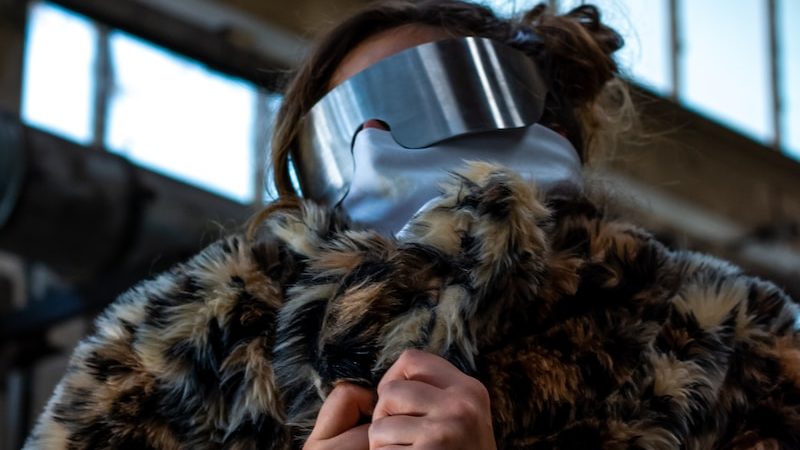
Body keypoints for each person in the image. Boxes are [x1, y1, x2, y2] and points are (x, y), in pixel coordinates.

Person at [24, 1, 800, 449]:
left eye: (418, 100)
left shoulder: (726, 344)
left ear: (539, 115)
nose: (371, 143)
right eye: (333, 131)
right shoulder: (177, 355)